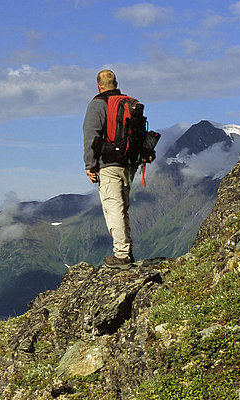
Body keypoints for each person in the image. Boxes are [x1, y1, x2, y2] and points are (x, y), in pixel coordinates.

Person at [83, 69, 136, 269]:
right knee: (123, 207)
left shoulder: (97, 104)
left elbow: (90, 137)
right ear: (116, 83)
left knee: (113, 208)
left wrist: (90, 165)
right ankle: (127, 251)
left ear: (98, 86)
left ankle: (121, 255)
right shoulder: (129, 103)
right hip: (129, 165)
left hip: (109, 165)